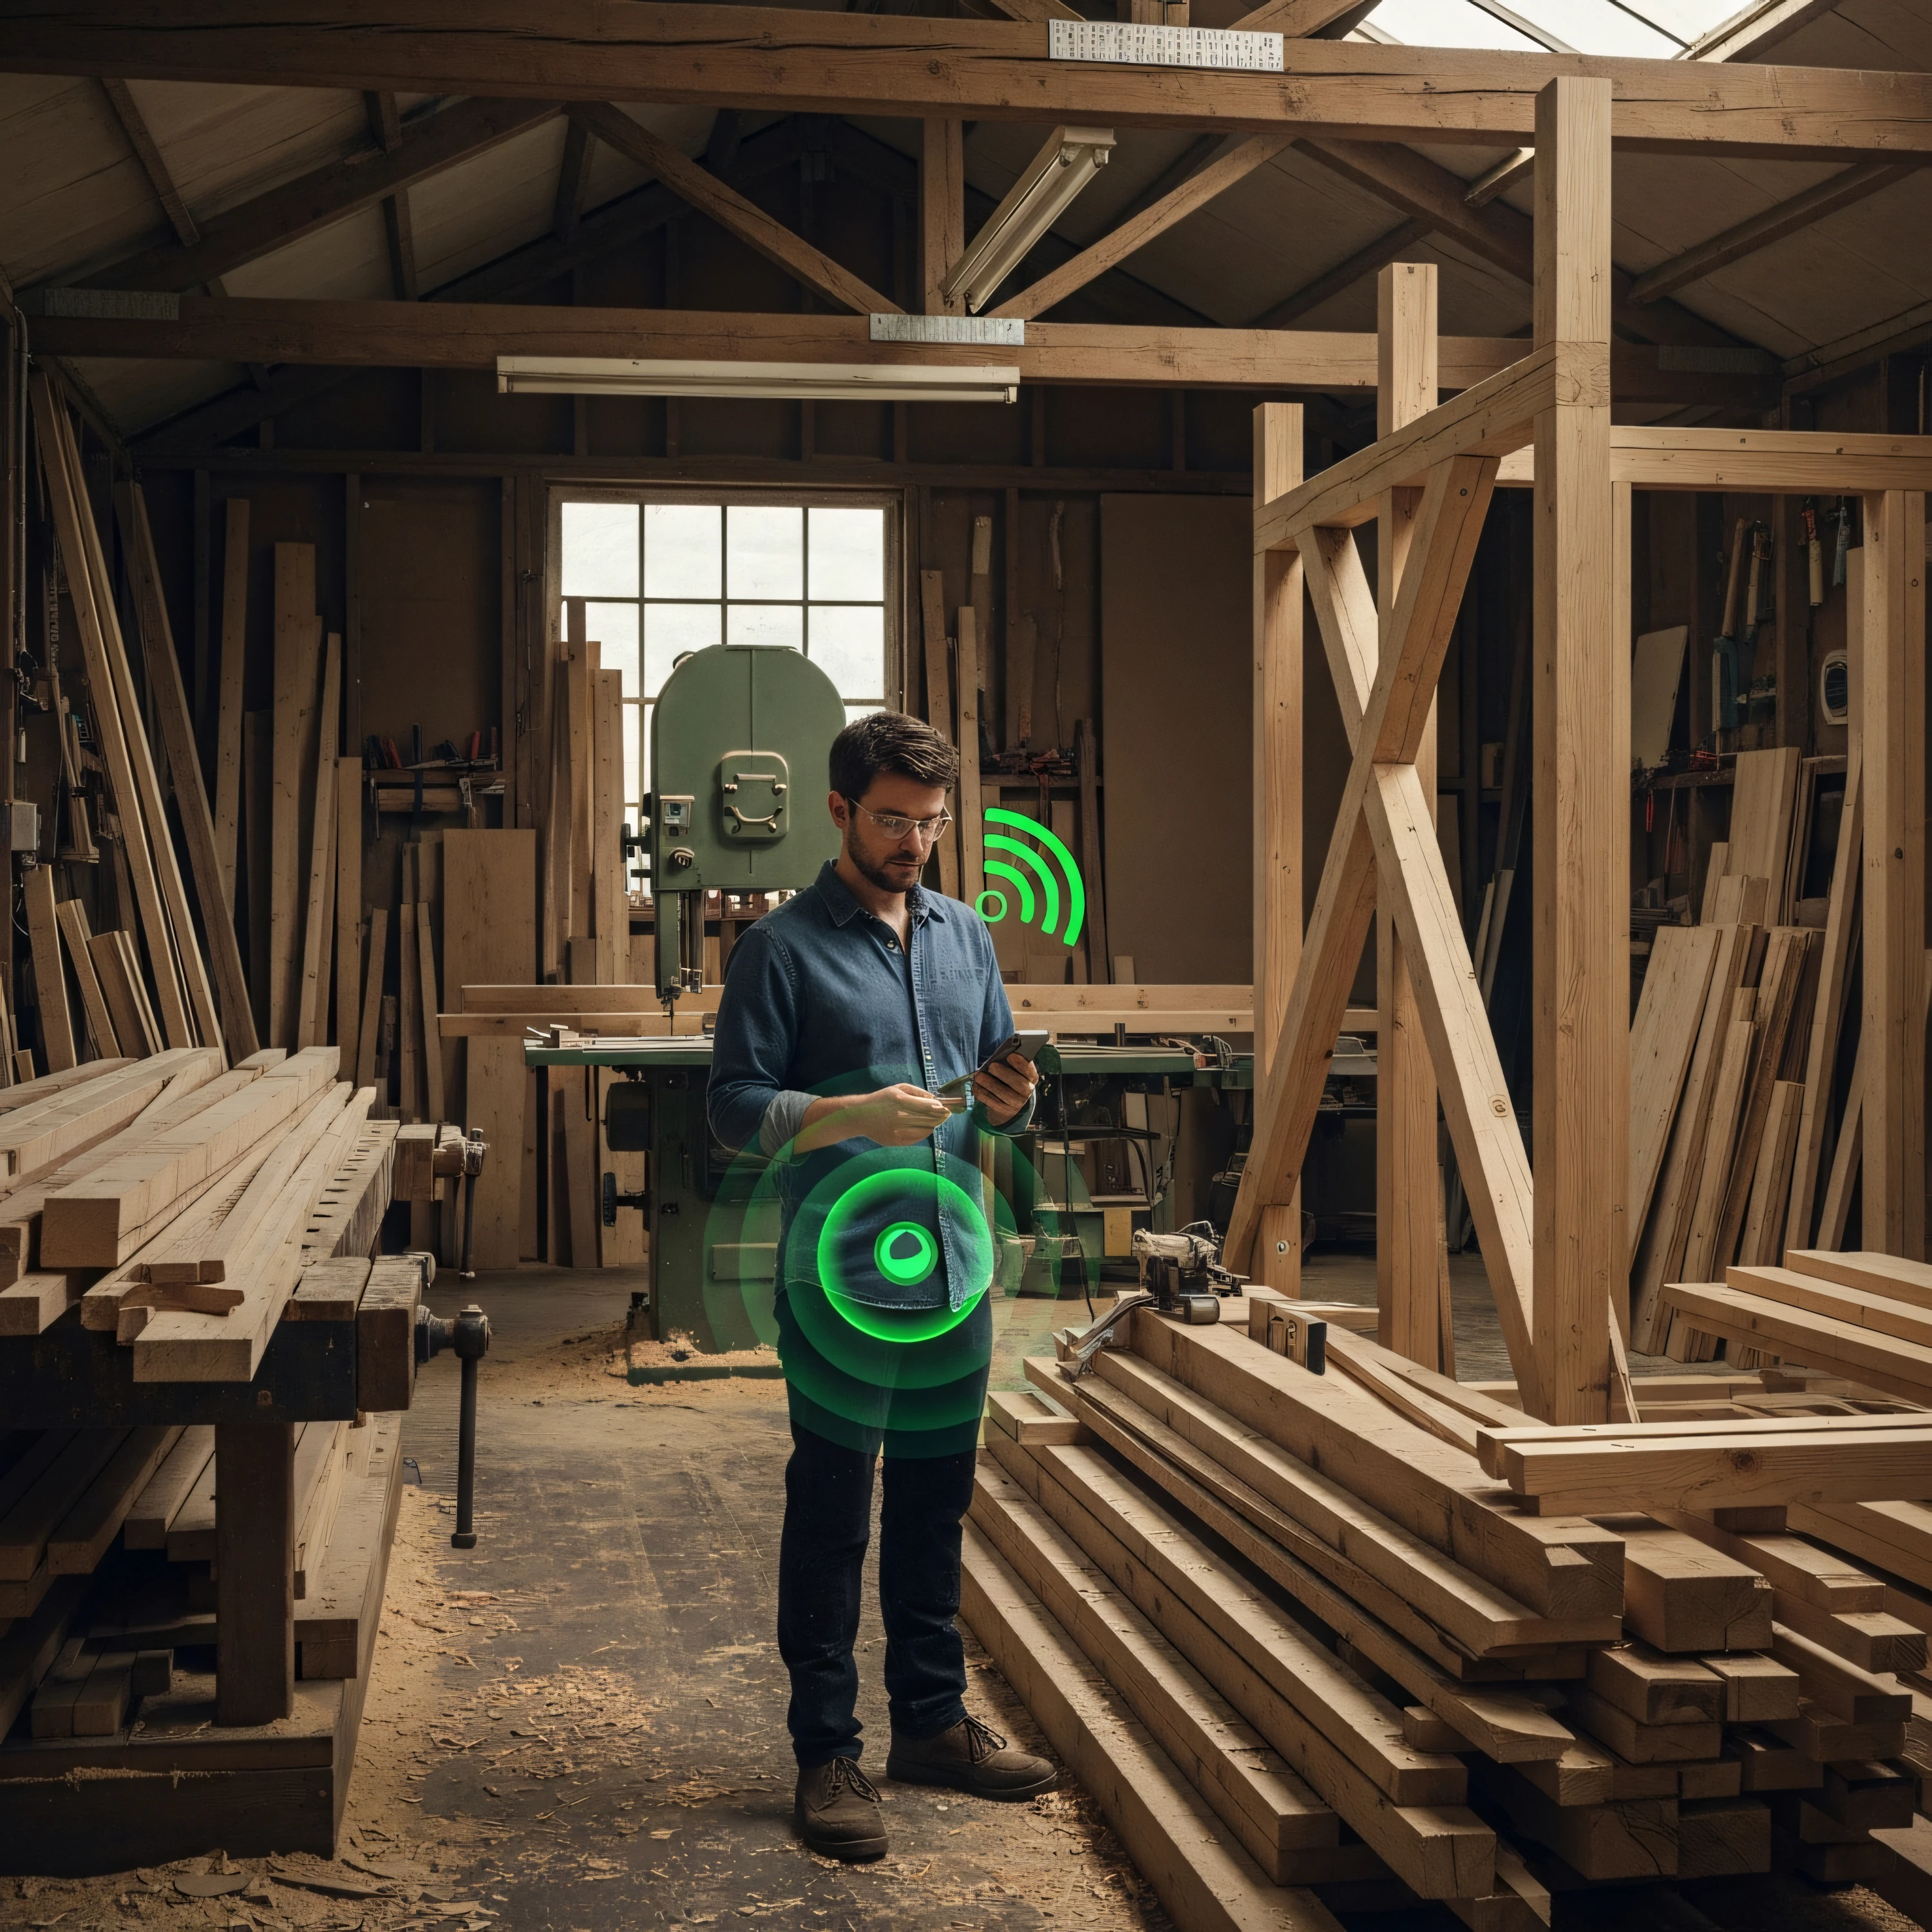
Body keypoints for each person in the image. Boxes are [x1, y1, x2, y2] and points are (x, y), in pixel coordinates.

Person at [708, 710, 1058, 1862]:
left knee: (932, 1509)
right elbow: (731, 1112)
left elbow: (1005, 1075)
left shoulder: (966, 936)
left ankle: (931, 1725)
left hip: (953, 1271)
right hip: (839, 1281)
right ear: (840, 811)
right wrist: (848, 1115)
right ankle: (826, 1752)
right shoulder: (780, 950)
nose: (915, 844)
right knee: (832, 1514)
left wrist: (1011, 1099)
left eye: (933, 824)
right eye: (896, 821)